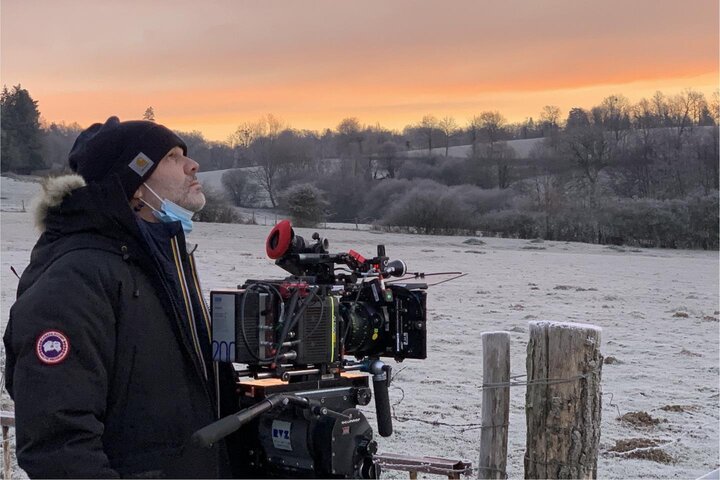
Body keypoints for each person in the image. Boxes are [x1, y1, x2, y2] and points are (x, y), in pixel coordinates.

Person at [3, 117, 239, 478]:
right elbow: (57, 444)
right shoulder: (75, 279)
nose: (193, 165)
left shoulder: (163, 264)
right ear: (135, 184)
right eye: (173, 157)